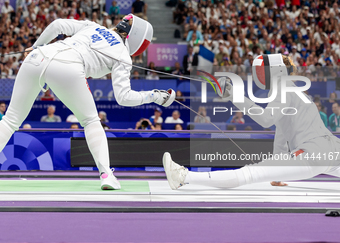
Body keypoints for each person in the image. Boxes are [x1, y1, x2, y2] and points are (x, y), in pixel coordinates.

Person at [0, 14, 175, 190]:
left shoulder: (94, 26)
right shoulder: (123, 55)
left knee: (10, 120)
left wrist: (36, 46)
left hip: (37, 57)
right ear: (138, 42)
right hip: (67, 66)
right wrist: (154, 96)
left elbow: (57, 24)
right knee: (91, 121)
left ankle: (106, 173)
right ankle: (106, 174)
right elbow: (124, 97)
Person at [163, 54, 340, 190]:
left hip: (312, 152)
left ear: (276, 71)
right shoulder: (299, 92)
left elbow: (266, 119)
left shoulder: (283, 88)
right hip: (332, 147)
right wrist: (278, 173)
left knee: (250, 173)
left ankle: (182, 177)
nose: (260, 75)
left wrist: (234, 95)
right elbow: (281, 131)